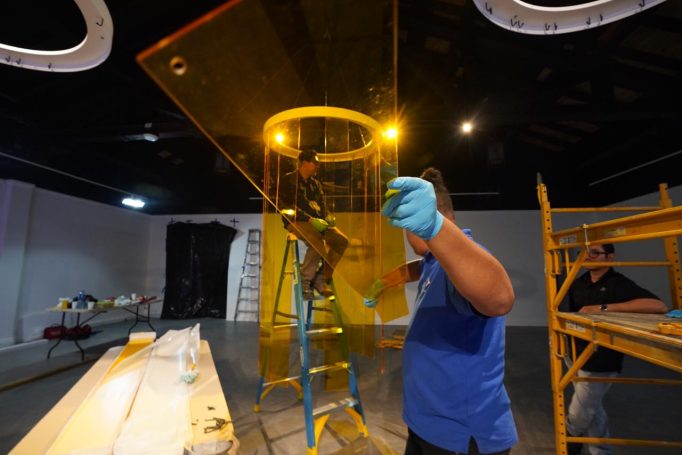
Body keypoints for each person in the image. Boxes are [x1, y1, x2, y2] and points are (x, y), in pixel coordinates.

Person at [366, 167, 517, 455]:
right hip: (426, 424)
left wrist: (435, 227)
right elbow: (416, 269)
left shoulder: (463, 260)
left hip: (458, 436)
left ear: (439, 217)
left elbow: (499, 300)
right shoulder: (434, 261)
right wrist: (382, 283)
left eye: (409, 225)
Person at [565, 244, 667, 455]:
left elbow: (658, 306)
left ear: (610, 257)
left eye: (595, 253)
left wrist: (603, 308)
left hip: (601, 359)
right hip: (575, 352)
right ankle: (600, 450)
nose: (588, 257)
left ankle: (570, 435)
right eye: (585, 253)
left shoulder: (617, 284)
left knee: (581, 410)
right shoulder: (579, 283)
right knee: (592, 406)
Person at [279, 149, 348, 300]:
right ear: (304, 162)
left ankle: (321, 278)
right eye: (314, 163)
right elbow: (285, 206)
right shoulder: (288, 180)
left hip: (317, 223)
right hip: (296, 221)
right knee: (316, 241)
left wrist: (328, 216)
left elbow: (322, 204)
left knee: (342, 241)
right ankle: (305, 283)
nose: (317, 166)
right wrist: (310, 219)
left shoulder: (315, 184)